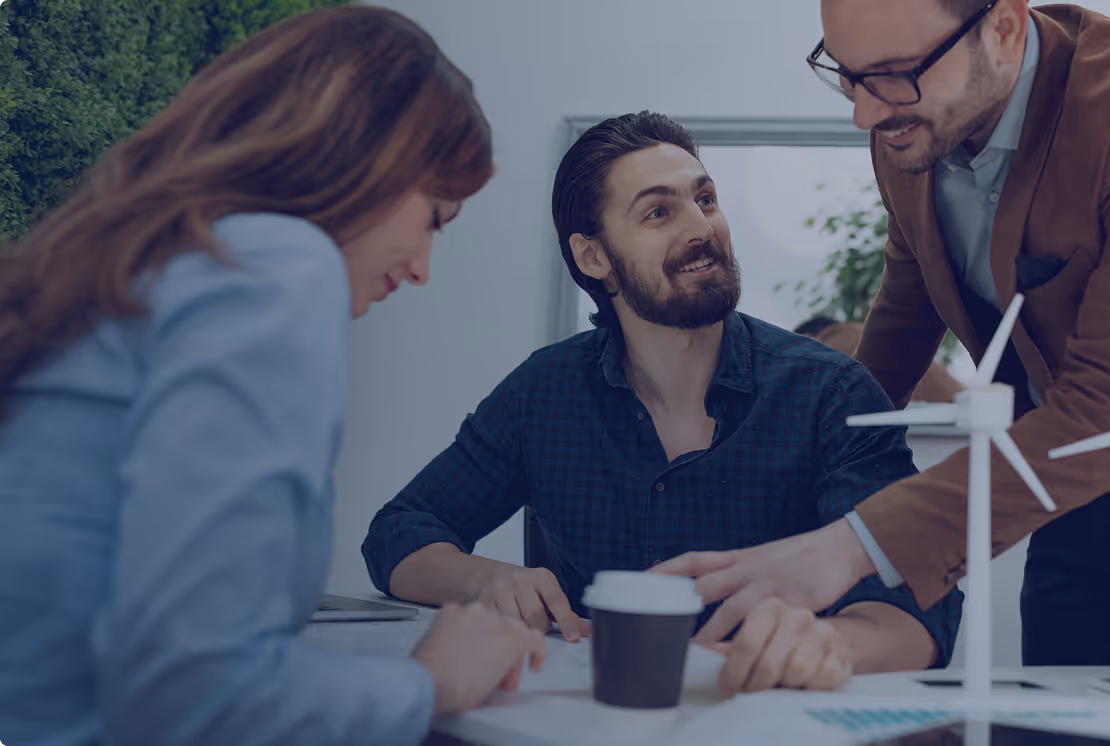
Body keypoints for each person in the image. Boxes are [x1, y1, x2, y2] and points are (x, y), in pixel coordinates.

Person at [656, 0, 1110, 666]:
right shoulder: (907, 119)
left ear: (1004, 29)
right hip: (1066, 477)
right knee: (1051, 718)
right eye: (846, 74)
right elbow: (907, 307)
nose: (865, 111)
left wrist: (848, 547)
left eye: (894, 74)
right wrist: (800, 470)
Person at [0, 8, 549, 746]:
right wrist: (432, 682)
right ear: (366, 155)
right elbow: (191, 691)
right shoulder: (274, 267)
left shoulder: (143, 266)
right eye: (435, 219)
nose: (422, 269)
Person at [362, 111, 962, 694]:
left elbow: (920, 606)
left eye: (705, 199)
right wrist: (483, 580)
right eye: (658, 212)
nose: (702, 228)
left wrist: (834, 645)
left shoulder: (829, 392)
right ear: (594, 258)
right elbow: (398, 533)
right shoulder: (543, 391)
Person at [794, 317, 964, 402]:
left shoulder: (834, 341)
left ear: (808, 338)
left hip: (939, 416)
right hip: (960, 406)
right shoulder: (859, 333)